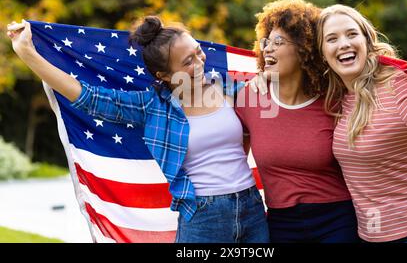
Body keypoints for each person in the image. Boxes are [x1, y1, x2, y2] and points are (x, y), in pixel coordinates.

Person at [6, 17, 269, 243]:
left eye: (198, 52)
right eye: (188, 61)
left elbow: (276, 91)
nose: (199, 62)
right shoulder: (152, 106)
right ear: (164, 75)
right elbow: (89, 98)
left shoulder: (229, 88)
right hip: (203, 215)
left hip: (252, 207)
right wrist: (27, 52)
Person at [317, 4, 407, 243]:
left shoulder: (399, 85)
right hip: (372, 235)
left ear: (367, 41)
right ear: (322, 53)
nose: (344, 44)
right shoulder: (335, 99)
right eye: (332, 39)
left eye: (351, 34)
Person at [235, 0, 360, 243]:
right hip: (281, 224)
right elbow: (231, 159)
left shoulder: (335, 97)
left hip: (338, 219)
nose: (267, 48)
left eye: (278, 42)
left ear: (304, 48)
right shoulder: (250, 97)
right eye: (266, 42)